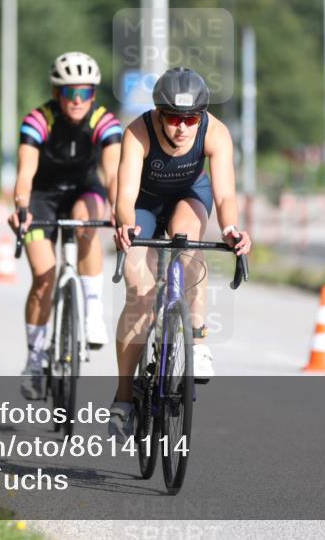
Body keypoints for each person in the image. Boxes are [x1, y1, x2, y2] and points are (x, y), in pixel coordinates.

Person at [108, 67, 252, 441]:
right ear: (159, 113)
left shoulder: (216, 133)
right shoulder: (137, 133)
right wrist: (127, 226)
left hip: (190, 195)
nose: (182, 127)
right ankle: (124, 398)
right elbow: (124, 197)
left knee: (188, 240)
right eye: (173, 117)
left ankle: (197, 340)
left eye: (191, 118)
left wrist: (232, 228)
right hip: (144, 203)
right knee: (139, 294)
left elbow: (224, 196)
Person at [7, 51, 123, 400]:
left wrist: (119, 207)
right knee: (44, 277)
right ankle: (35, 357)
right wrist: (22, 207)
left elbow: (114, 172)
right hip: (42, 195)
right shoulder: (38, 120)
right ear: (57, 93)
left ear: (93, 94)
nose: (77, 101)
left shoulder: (105, 121)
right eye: (70, 92)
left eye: (84, 93)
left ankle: (92, 313)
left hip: (84, 189)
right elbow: (25, 173)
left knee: (87, 223)